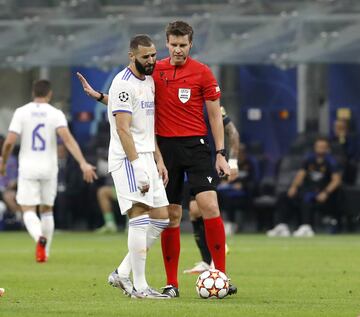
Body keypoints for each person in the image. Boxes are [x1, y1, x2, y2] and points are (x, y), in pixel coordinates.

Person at [77, 21, 237, 297]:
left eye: (182, 45)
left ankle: (220, 274)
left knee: (209, 204)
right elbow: (132, 106)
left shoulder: (203, 73)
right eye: (173, 45)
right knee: (170, 215)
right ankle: (171, 283)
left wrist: (221, 154)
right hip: (162, 149)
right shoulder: (154, 71)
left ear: (190, 44)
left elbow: (214, 116)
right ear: (167, 43)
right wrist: (103, 97)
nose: (177, 50)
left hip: (196, 146)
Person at [0, 79, 97, 262]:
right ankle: (46, 252)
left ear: (33, 93)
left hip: (28, 167)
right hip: (49, 167)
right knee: (47, 210)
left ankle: (39, 238)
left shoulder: (22, 112)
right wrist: (83, 162)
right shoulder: (55, 113)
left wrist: (3, 163)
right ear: (49, 94)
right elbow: (67, 140)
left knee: (28, 209)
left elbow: (10, 141)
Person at [105, 34, 170, 299]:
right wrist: (137, 165)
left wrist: (158, 158)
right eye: (146, 57)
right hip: (128, 158)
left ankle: (121, 273)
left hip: (146, 156)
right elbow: (123, 129)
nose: (152, 60)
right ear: (132, 56)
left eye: (154, 55)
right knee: (140, 216)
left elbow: (147, 125)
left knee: (162, 218)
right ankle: (141, 287)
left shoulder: (150, 81)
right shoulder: (123, 84)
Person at [184, 107, 240, 274]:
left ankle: (218, 250)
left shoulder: (212, 106)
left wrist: (234, 162)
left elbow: (233, 133)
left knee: (204, 208)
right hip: (187, 163)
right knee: (194, 212)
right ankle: (206, 261)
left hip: (208, 163)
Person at [267, 137, 342, 237]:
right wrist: (293, 187)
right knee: (284, 196)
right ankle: (282, 226)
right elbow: (300, 175)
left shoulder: (331, 162)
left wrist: (326, 192)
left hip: (321, 192)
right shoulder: (309, 159)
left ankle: (306, 227)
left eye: (323, 147)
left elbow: (336, 180)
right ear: (315, 148)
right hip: (307, 189)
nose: (320, 149)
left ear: (327, 148)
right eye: (318, 146)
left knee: (306, 199)